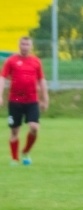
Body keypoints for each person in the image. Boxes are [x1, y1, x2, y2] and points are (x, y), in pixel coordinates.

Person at [0, 36, 49, 166]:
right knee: (15, 131)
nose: (25, 47)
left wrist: (45, 98)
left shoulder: (36, 62)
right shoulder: (11, 61)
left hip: (32, 100)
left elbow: (41, 80)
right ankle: (14, 159)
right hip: (15, 100)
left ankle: (26, 152)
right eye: (23, 44)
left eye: (27, 44)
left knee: (34, 127)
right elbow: (2, 78)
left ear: (31, 46)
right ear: (19, 45)